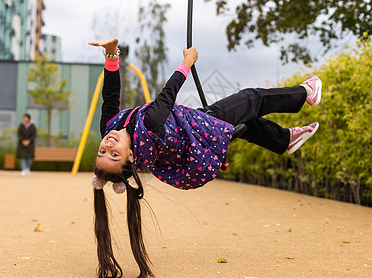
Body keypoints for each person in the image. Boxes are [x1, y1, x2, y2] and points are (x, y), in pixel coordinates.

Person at [88, 38, 322, 278]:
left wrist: (111, 54)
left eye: (102, 152)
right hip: (202, 130)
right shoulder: (149, 125)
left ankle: (284, 140)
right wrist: (187, 62)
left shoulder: (110, 126)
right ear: (129, 158)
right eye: (114, 155)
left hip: (194, 126)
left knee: (247, 123)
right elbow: (167, 95)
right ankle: (305, 94)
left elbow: (111, 94)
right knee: (252, 98)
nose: (107, 145)